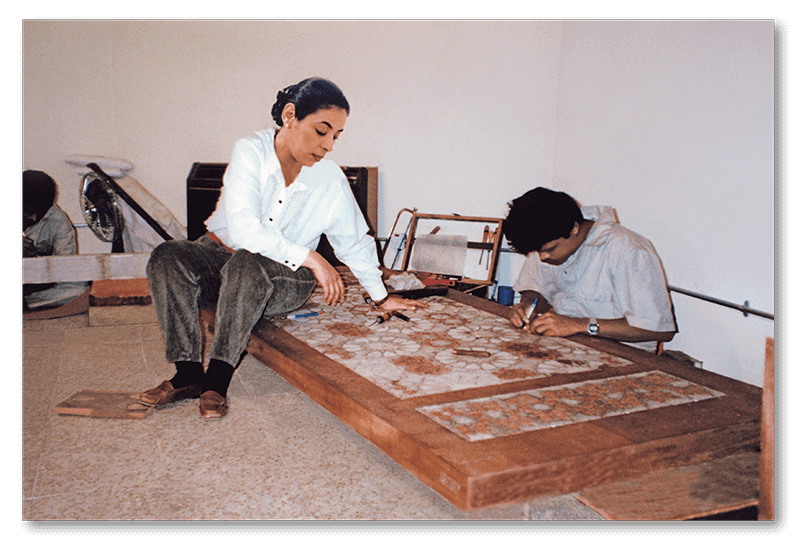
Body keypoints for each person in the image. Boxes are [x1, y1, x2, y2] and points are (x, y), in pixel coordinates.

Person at [140, 77, 426, 419]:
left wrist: (380, 296)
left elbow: (352, 240)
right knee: (168, 255)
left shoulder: (330, 178)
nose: (329, 145)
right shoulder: (250, 151)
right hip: (222, 258)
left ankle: (216, 380)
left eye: (336, 136)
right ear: (290, 116)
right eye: (322, 131)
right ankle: (187, 374)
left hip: (285, 276)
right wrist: (313, 257)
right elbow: (244, 229)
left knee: (247, 264)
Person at [502, 187, 676, 352]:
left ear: (574, 228)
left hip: (622, 356)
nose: (542, 258)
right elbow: (536, 290)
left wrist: (578, 325)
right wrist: (526, 307)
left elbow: (660, 330)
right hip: (568, 347)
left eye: (550, 249)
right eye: (537, 252)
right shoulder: (546, 238)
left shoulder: (628, 250)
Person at [23, 170, 89, 311]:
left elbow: (65, 271)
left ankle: (28, 303)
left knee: (78, 289)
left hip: (32, 286)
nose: (34, 218)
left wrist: (35, 260)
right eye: (28, 211)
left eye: (40, 212)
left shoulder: (60, 223)